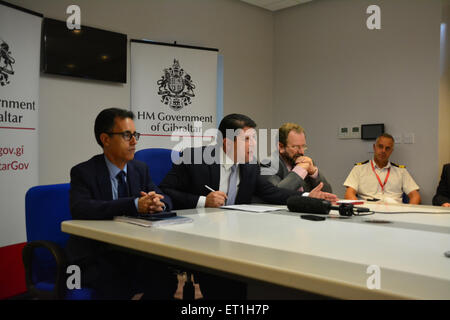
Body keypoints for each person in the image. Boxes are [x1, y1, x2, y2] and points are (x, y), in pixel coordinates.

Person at [159, 113, 338, 299]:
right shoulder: (194, 158)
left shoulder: (250, 165)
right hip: (202, 236)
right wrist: (204, 201)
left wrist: (308, 196)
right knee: (227, 285)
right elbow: (165, 190)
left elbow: (272, 193)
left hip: (236, 238)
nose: (253, 144)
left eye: (254, 138)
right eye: (246, 139)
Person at [67, 108, 174, 299]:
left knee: (165, 278)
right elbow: (81, 208)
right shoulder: (84, 172)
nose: (134, 142)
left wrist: (158, 204)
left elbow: (164, 198)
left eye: (135, 135)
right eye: (127, 136)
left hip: (132, 251)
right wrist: (133, 204)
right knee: (115, 284)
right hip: (95, 254)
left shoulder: (140, 169)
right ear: (105, 139)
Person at [343, 133, 421, 204]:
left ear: (391, 151)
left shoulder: (401, 171)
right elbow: (349, 194)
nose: (383, 151)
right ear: (374, 147)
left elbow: (415, 196)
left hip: (395, 212)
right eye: (380, 146)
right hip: (368, 211)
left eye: (387, 148)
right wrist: (360, 211)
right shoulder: (359, 169)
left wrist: (407, 214)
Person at [260, 122, 332, 193]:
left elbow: (328, 194)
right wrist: (300, 170)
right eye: (295, 147)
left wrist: (313, 173)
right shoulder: (268, 164)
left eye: (303, 146)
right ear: (281, 147)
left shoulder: (306, 163)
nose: (301, 152)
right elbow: (277, 193)